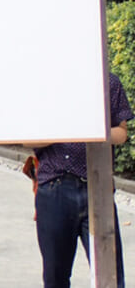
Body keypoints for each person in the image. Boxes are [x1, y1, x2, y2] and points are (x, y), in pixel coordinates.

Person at [28, 71, 132, 287]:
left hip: (98, 187)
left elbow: (122, 134)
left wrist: (95, 131)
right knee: (55, 276)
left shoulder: (107, 81)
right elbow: (27, 140)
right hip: (54, 187)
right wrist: (67, 127)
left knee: (110, 274)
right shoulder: (43, 83)